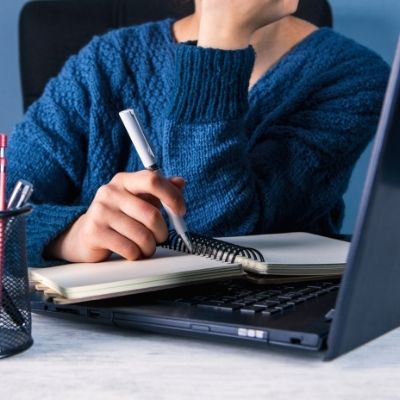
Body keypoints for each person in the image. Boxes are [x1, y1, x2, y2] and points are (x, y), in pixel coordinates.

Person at [8, 0, 389, 267]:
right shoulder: (105, 62)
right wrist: (70, 235)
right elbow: (6, 203)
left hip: (259, 336)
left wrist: (222, 36)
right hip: (96, 337)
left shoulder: (354, 77)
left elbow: (213, 233)